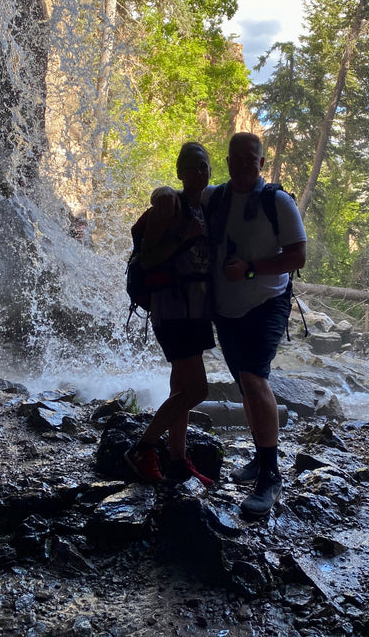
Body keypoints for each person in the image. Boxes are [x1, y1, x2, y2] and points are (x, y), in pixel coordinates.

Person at [206, 132, 306, 516]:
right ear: (228, 161)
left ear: (262, 163)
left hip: (267, 302)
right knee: (244, 385)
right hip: (226, 309)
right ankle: (259, 457)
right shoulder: (215, 198)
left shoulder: (277, 201)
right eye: (237, 157)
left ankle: (271, 475)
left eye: (252, 158)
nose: (245, 164)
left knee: (253, 378)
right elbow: (179, 203)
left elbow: (297, 256)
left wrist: (249, 270)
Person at [124, 142, 215, 488]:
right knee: (198, 390)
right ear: (179, 172)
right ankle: (143, 448)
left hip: (195, 311)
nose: (198, 172)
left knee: (181, 386)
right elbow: (148, 259)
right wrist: (181, 235)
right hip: (173, 310)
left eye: (204, 166)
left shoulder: (203, 206)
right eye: (191, 167)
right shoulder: (170, 206)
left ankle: (177, 462)